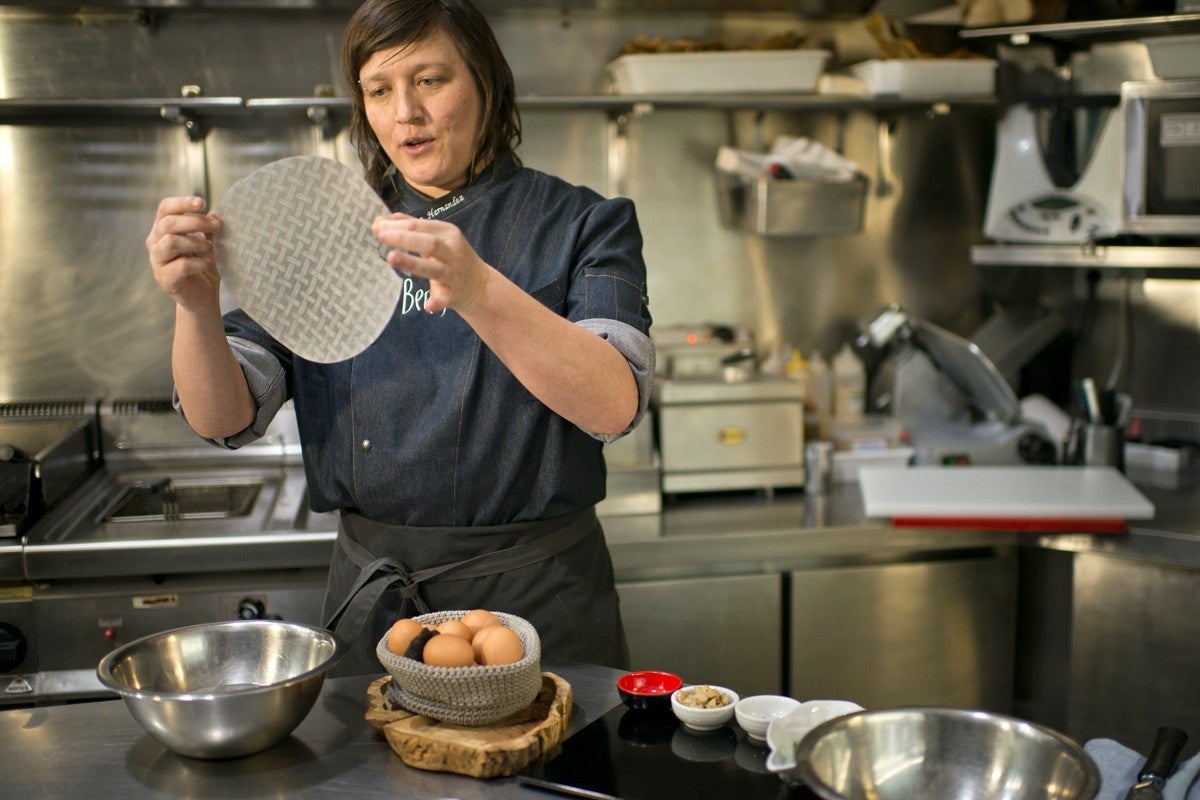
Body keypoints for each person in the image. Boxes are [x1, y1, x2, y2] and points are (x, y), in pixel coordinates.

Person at [144, 0, 653, 677]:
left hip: (540, 602)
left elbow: (614, 405)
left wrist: (478, 290)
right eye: (380, 90)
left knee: (550, 781)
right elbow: (223, 418)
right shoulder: (327, 233)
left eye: (431, 80)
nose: (404, 112)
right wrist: (195, 306)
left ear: (486, 83)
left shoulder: (585, 223)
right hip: (378, 607)